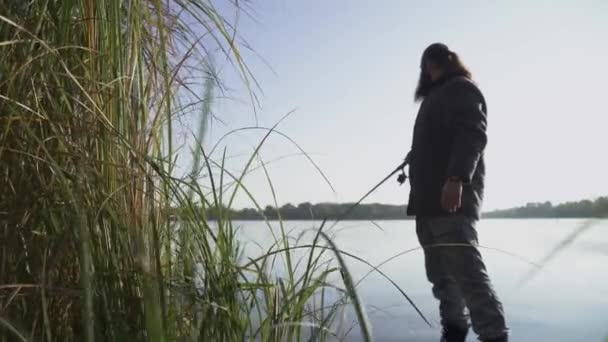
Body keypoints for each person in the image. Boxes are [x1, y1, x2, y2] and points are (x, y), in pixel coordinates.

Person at [406, 43, 509, 342]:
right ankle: (454, 328)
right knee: (440, 276)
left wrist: (456, 179)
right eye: (427, 62)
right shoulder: (433, 98)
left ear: (449, 62)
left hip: (451, 201)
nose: (430, 67)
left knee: (468, 275)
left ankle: (494, 334)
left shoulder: (462, 89)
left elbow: (473, 134)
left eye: (436, 60)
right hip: (426, 204)